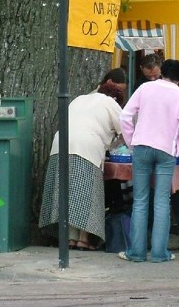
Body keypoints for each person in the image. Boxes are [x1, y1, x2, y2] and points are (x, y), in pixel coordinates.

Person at [118, 59, 179, 263]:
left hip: (142, 146)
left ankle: (136, 252)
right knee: (162, 201)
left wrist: (131, 140)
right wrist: (177, 144)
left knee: (140, 201)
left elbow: (125, 115)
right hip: (166, 150)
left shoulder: (145, 88)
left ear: (162, 72)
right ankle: (160, 253)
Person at [38, 81, 125, 250]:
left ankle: (70, 238)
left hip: (60, 145)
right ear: (115, 98)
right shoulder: (111, 103)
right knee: (87, 195)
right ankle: (83, 240)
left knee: (67, 194)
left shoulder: (79, 99)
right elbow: (126, 130)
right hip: (87, 146)